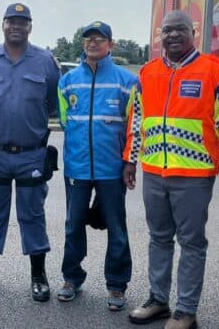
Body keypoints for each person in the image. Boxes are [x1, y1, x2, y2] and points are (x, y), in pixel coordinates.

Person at [123, 10, 219, 329]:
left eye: (180, 30)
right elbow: (137, 120)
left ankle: (186, 310)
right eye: (167, 31)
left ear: (194, 31)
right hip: (154, 172)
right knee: (158, 238)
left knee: (191, 242)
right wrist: (130, 159)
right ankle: (158, 300)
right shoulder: (147, 72)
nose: (173, 36)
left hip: (194, 175)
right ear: (160, 35)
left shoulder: (214, 70)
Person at [0, 3, 60, 302]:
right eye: (11, 21)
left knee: (32, 214)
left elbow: (54, 103)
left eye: (22, 21)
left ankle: (38, 275)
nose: (16, 26)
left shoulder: (46, 61)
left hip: (32, 153)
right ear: (3, 25)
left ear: (30, 26)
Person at [56, 21, 136, 311]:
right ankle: (71, 278)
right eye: (88, 39)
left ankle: (116, 285)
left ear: (111, 45)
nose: (93, 43)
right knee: (72, 225)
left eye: (100, 39)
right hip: (76, 167)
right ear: (83, 44)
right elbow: (65, 121)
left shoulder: (127, 81)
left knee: (116, 227)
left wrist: (129, 161)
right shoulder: (67, 81)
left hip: (111, 169)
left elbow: (132, 128)